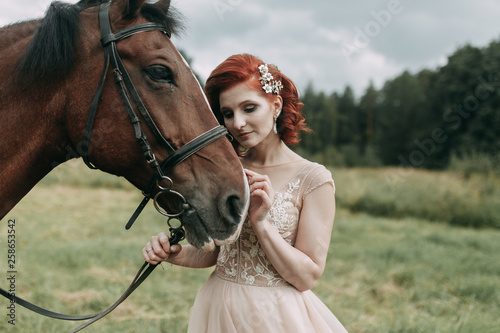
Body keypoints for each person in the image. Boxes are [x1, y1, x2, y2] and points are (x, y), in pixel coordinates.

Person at [143, 53, 347, 332]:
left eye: (249, 108)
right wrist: (172, 253)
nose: (237, 123)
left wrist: (261, 224)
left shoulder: (314, 179)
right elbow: (217, 253)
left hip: (276, 316)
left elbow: (306, 277)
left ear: (275, 106)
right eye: (228, 113)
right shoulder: (226, 171)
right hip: (218, 307)